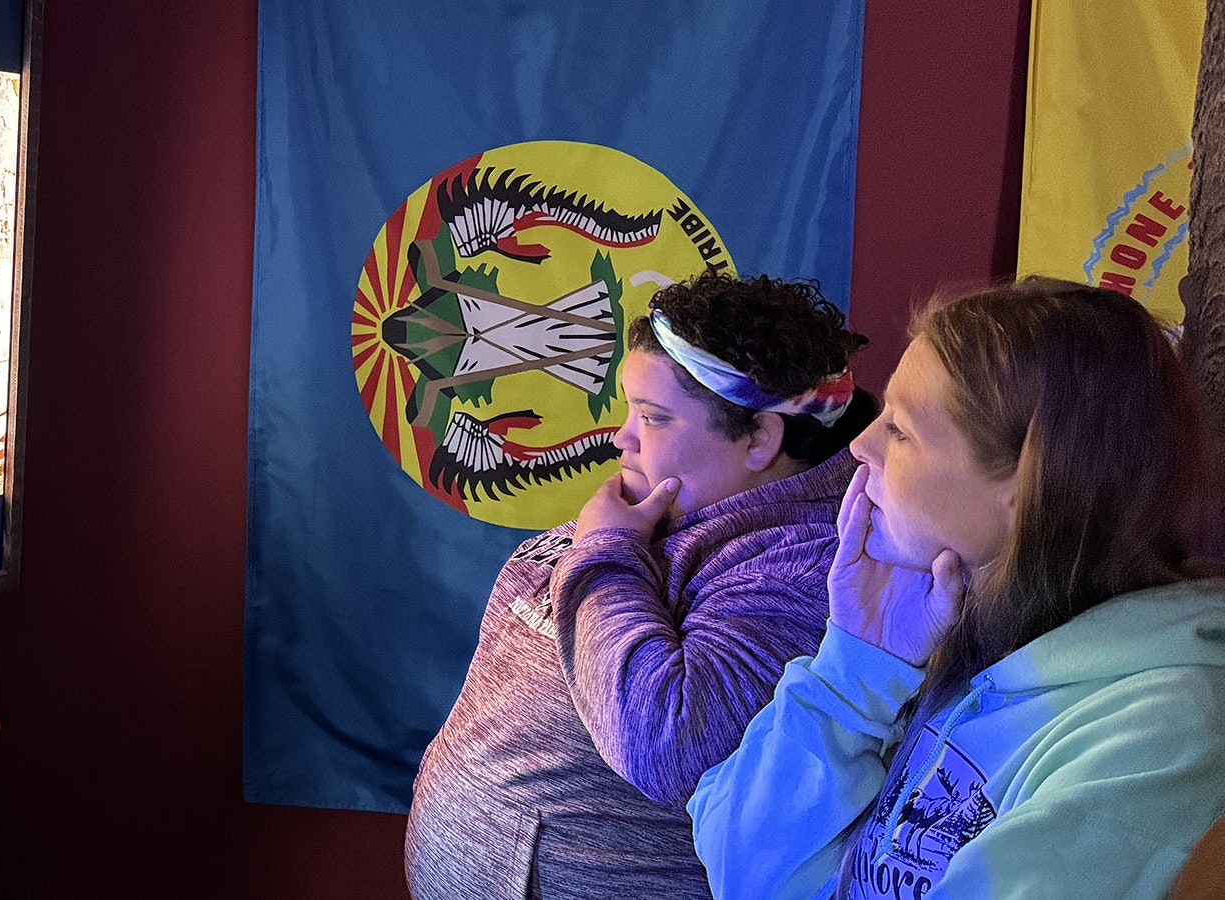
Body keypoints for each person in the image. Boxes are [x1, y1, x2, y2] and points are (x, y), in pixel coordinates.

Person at [688, 277, 1225, 899]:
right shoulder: (948, 631)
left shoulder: (1159, 736)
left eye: (901, 430)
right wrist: (852, 670)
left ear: (1028, 483)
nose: (860, 444)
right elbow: (736, 864)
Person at [406, 270, 878, 899]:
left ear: (761, 439)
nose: (620, 437)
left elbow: (668, 743)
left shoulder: (802, 564)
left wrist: (604, 550)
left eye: (653, 419)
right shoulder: (672, 501)